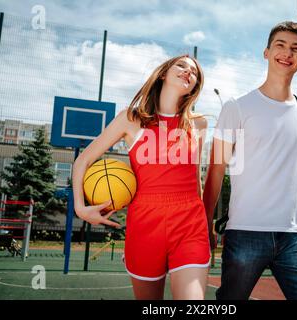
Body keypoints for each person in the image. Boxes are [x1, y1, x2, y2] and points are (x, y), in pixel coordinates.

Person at [203, 21, 297, 300]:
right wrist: (205, 223)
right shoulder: (236, 107)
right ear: (266, 53)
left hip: (296, 236)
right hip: (246, 232)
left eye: (296, 48)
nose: (287, 53)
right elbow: (216, 169)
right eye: (280, 45)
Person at [72, 55, 210, 300]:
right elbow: (83, 160)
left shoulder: (198, 124)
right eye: (182, 66)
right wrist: (80, 208)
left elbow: (196, 180)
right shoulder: (131, 119)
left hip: (189, 224)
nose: (189, 72)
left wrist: (206, 226)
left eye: (195, 73)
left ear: (194, 87)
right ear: (164, 74)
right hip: (145, 226)